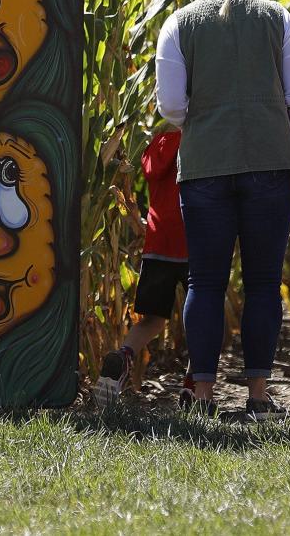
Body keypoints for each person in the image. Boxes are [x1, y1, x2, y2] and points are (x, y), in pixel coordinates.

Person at [155, 0, 290, 420]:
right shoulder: (277, 17)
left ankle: (202, 396)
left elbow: (171, 105)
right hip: (273, 163)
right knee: (264, 282)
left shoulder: (178, 25)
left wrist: (210, 120)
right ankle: (259, 397)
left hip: (205, 165)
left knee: (205, 281)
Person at [93, 130, 192, 409]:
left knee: (152, 319)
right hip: (193, 241)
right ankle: (194, 383)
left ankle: (124, 354)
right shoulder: (201, 135)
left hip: (157, 241)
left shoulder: (157, 144)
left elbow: (146, 172)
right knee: (203, 316)